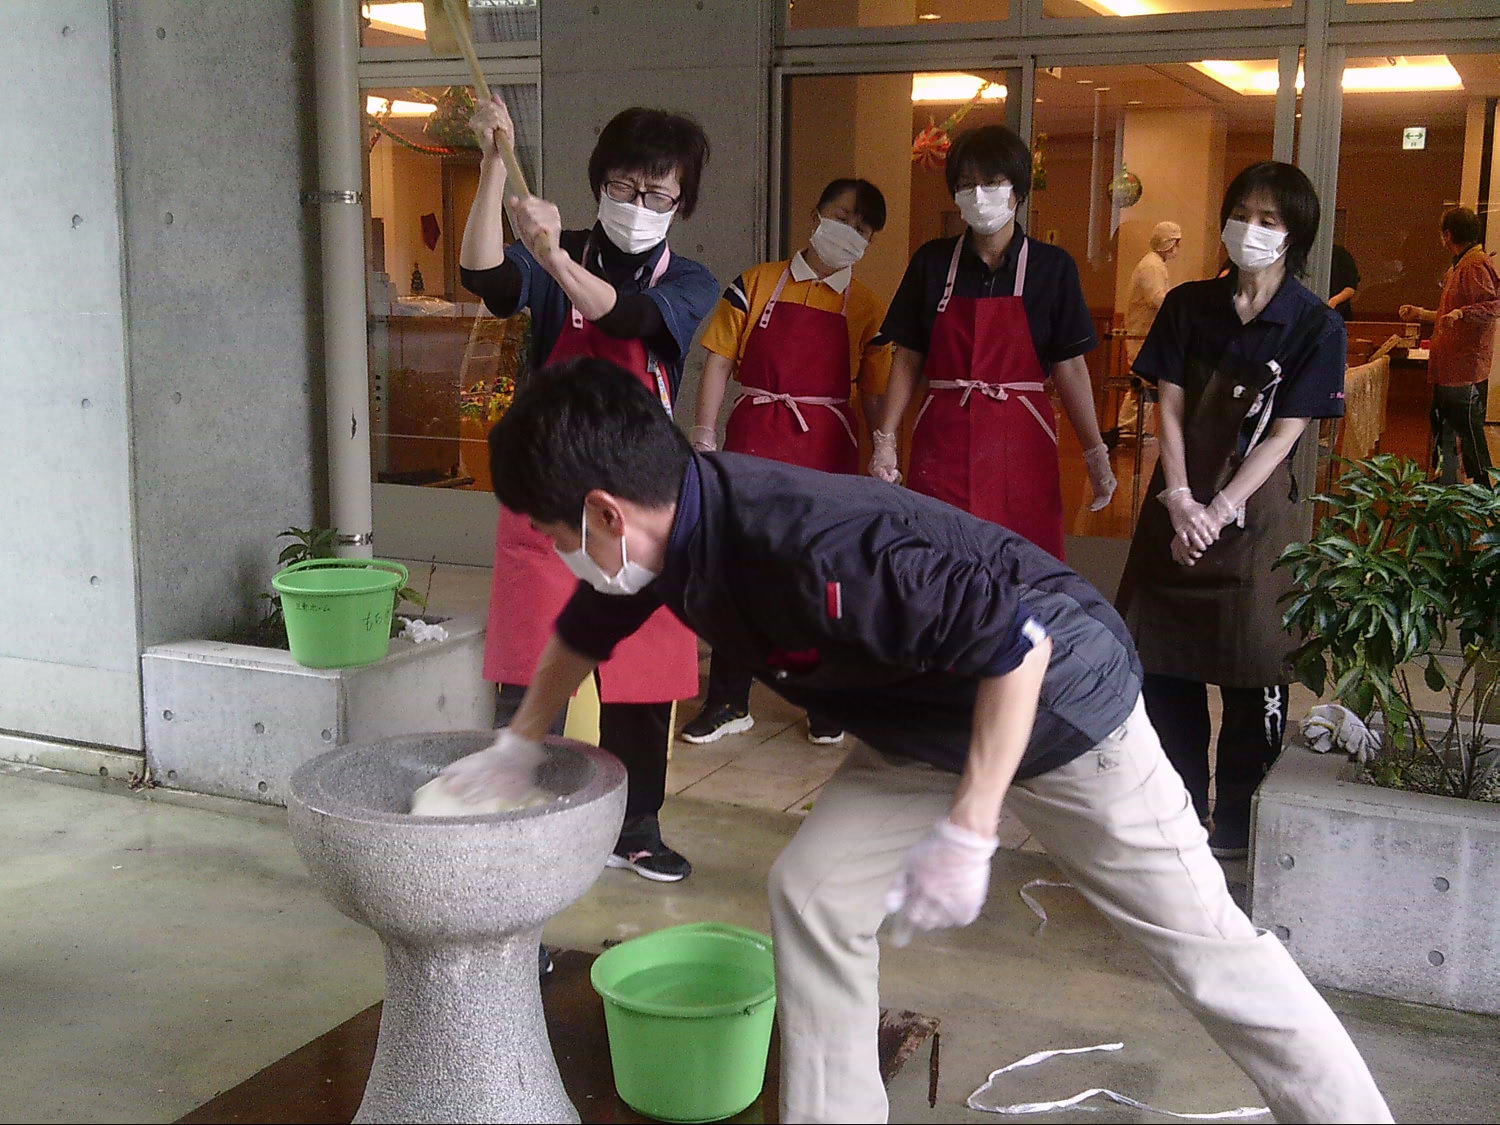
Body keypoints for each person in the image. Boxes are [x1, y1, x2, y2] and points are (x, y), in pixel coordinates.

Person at [444, 356, 1393, 1125]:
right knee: (815, 891)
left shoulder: (810, 545)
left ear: (605, 514)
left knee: (1206, 953)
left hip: (1064, 705)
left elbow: (1017, 648)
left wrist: (973, 830)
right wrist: (520, 742)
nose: (558, 551)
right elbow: (585, 627)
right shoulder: (666, 531)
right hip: (925, 715)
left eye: (553, 532)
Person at [457, 96, 718, 881]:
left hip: (640, 503)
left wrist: (554, 259)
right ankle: (515, 811)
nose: (638, 205)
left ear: (680, 202)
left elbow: (625, 317)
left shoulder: (688, 281)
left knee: (643, 671)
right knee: (528, 663)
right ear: (600, 181)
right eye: (624, 186)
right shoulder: (553, 247)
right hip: (551, 495)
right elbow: (482, 273)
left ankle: (635, 825)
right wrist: (493, 163)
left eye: (658, 194)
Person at [1116, 162, 1348, 860]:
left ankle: (1242, 824)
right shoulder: (1189, 305)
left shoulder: (1314, 324)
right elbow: (1169, 405)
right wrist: (1181, 498)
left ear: (1294, 234)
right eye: (1241, 213)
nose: (1250, 228)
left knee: (1256, 670)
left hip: (1255, 516)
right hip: (1176, 503)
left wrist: (1216, 510)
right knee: (1164, 668)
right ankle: (1181, 815)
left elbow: (1284, 433)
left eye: (1268, 219)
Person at [678, 177, 893, 747]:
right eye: (841, 216)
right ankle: (728, 700)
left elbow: (874, 392)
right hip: (754, 438)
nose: (848, 231)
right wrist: (704, 433)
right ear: (816, 213)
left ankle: (824, 700)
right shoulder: (754, 283)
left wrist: (884, 450)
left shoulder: (868, 306)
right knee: (739, 572)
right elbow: (717, 361)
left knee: (822, 577)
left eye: (862, 228)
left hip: (829, 448)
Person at [872, 124, 1116, 559]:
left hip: (1022, 448)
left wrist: (1095, 453)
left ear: (1018, 190)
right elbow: (908, 357)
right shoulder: (931, 262)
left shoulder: (1052, 268)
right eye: (967, 185)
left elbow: (1071, 367)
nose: (979, 195)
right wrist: (885, 440)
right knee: (940, 560)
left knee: (1022, 565)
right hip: (943, 444)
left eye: (991, 183)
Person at [1399, 206, 1500, 486]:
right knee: (1445, 427)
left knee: (1469, 435)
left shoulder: (1474, 265)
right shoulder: (1462, 264)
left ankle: (1484, 494)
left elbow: (1493, 306)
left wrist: (1461, 313)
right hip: (1451, 366)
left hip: (1463, 367)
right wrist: (1421, 313)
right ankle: (1447, 483)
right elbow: (1449, 314)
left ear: (1447, 235)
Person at [1105, 219, 1181, 447]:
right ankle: (1129, 428)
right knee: (1142, 382)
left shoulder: (1155, 264)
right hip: (1142, 333)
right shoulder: (1151, 266)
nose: (1178, 248)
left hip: (1148, 333)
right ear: (1168, 242)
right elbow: (1157, 299)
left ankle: (1132, 427)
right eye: (1176, 242)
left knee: (1144, 382)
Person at [1328, 242, 1360, 321]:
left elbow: (1351, 287)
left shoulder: (1340, 254)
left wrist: (1334, 301)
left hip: (1339, 315)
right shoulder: (1302, 253)